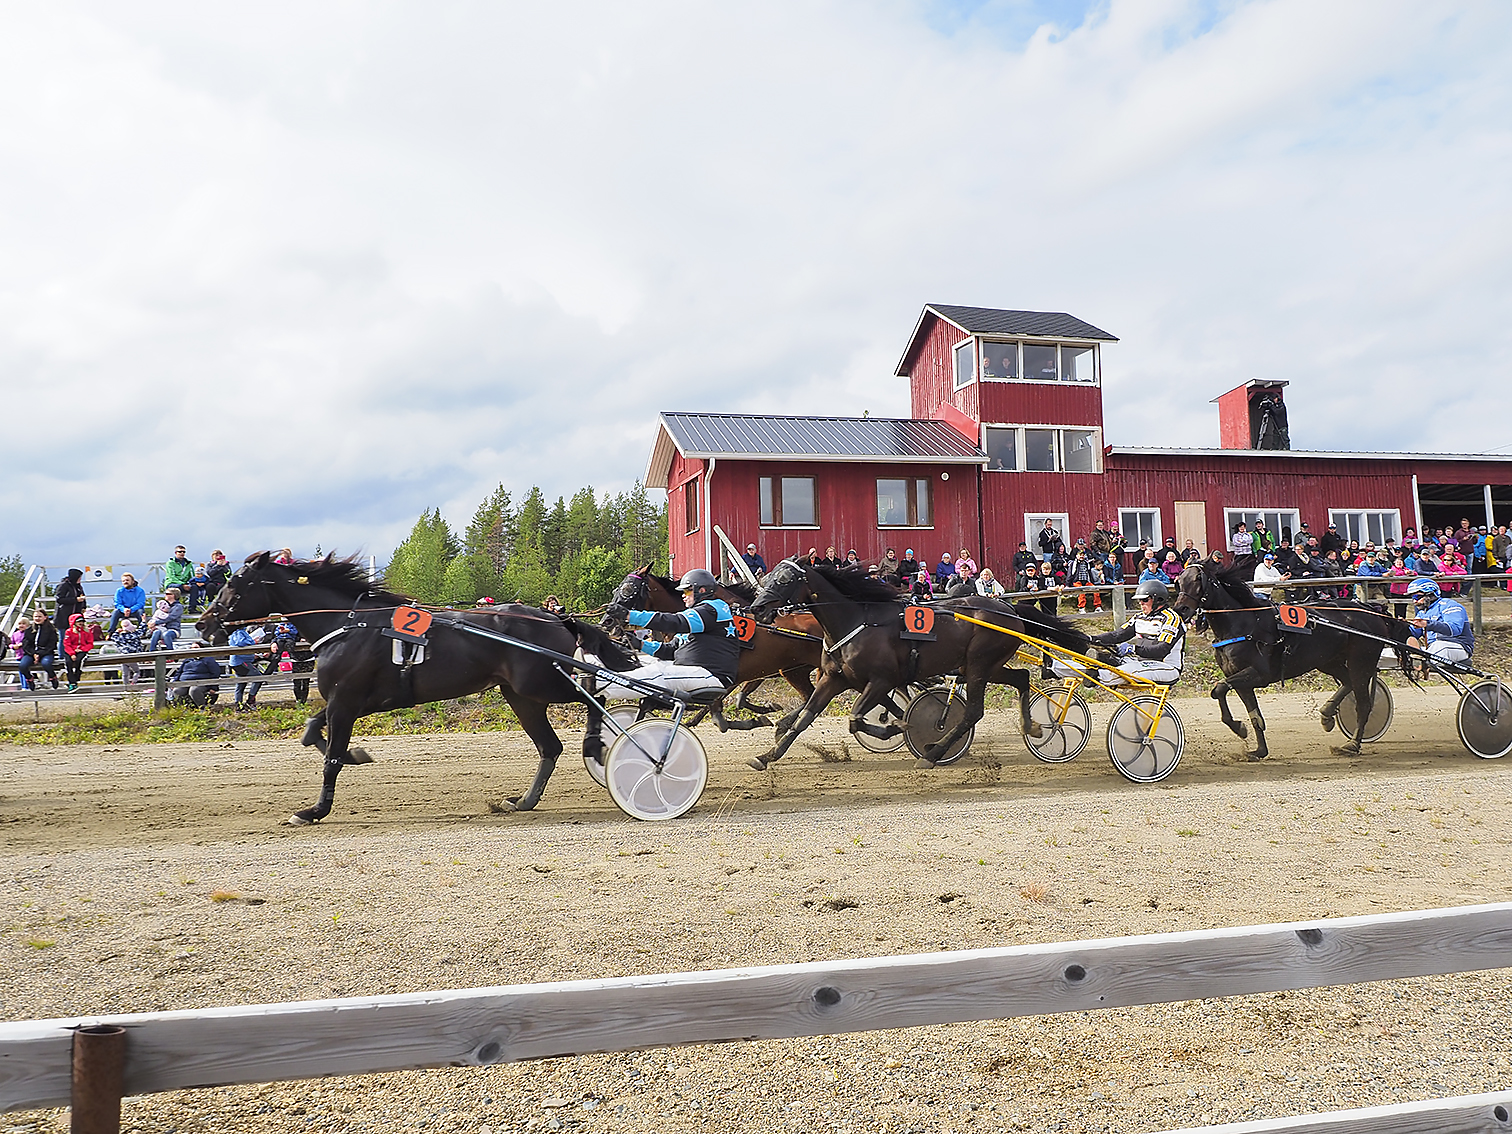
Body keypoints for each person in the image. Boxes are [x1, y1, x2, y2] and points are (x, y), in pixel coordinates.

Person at [599, 569, 740, 701]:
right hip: (695, 671)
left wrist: (629, 615)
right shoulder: (700, 618)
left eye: (687, 591)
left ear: (701, 590)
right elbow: (670, 650)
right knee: (641, 663)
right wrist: (639, 644)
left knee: (658, 672)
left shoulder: (710, 609)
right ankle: (596, 669)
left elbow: (674, 621)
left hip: (710, 675)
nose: (683, 596)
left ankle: (597, 685)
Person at [1087, 577, 1185, 685]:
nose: (1140, 603)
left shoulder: (1171, 619)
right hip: (1142, 663)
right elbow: (1117, 635)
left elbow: (1162, 649)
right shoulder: (1139, 617)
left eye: (1145, 600)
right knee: (1091, 664)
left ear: (1159, 600)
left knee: (1127, 670)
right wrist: (1091, 639)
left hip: (1166, 667)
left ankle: (1097, 677)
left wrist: (1133, 649)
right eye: (1139, 600)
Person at [1405, 578, 1473, 667]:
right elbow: (1413, 634)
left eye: (1417, 597)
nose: (1414, 601)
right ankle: (1418, 658)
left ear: (1430, 595)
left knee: (1438, 646)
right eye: (1412, 597)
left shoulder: (1450, 605)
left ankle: (1420, 659)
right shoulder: (1422, 613)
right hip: (1432, 649)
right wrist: (1399, 626)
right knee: (1389, 653)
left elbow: (1455, 629)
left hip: (1458, 646)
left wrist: (1427, 624)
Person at [20, 612, 60, 690]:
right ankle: (29, 679)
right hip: (31, 653)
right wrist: (33, 654)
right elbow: (26, 644)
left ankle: (53, 677)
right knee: (23, 666)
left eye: (39, 616)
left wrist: (39, 654)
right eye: (35, 616)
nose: (37, 618)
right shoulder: (29, 630)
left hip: (46, 652)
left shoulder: (51, 629)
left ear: (45, 617)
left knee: (46, 663)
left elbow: (52, 645)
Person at [62, 613, 96, 692]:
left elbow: (90, 644)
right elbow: (67, 644)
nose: (80, 623)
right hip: (70, 650)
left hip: (82, 651)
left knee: (79, 661)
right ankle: (72, 683)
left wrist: (82, 649)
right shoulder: (69, 631)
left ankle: (75, 681)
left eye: (82, 621)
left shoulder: (87, 631)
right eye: (78, 622)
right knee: (68, 663)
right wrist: (72, 653)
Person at [52, 568, 87, 643]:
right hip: (63, 616)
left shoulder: (79, 586)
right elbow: (59, 599)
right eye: (79, 577)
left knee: (75, 639)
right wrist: (75, 599)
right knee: (64, 638)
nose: (80, 579)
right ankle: (62, 654)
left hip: (75, 616)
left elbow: (82, 596)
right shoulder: (63, 585)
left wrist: (84, 606)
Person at [111, 617, 144, 686]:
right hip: (131, 656)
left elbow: (113, 637)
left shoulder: (120, 637)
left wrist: (117, 632)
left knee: (125, 673)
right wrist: (143, 621)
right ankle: (133, 683)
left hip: (123, 656)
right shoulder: (134, 635)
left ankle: (126, 686)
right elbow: (142, 630)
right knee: (137, 671)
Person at [10, 618, 31, 689]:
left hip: (27, 655)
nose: (21, 625)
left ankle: (26, 686)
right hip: (18, 655)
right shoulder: (15, 634)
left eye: (23, 624)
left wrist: (22, 644)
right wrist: (13, 646)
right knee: (20, 672)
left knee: (26, 670)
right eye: (19, 624)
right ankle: (23, 686)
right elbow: (10, 643)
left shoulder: (29, 633)